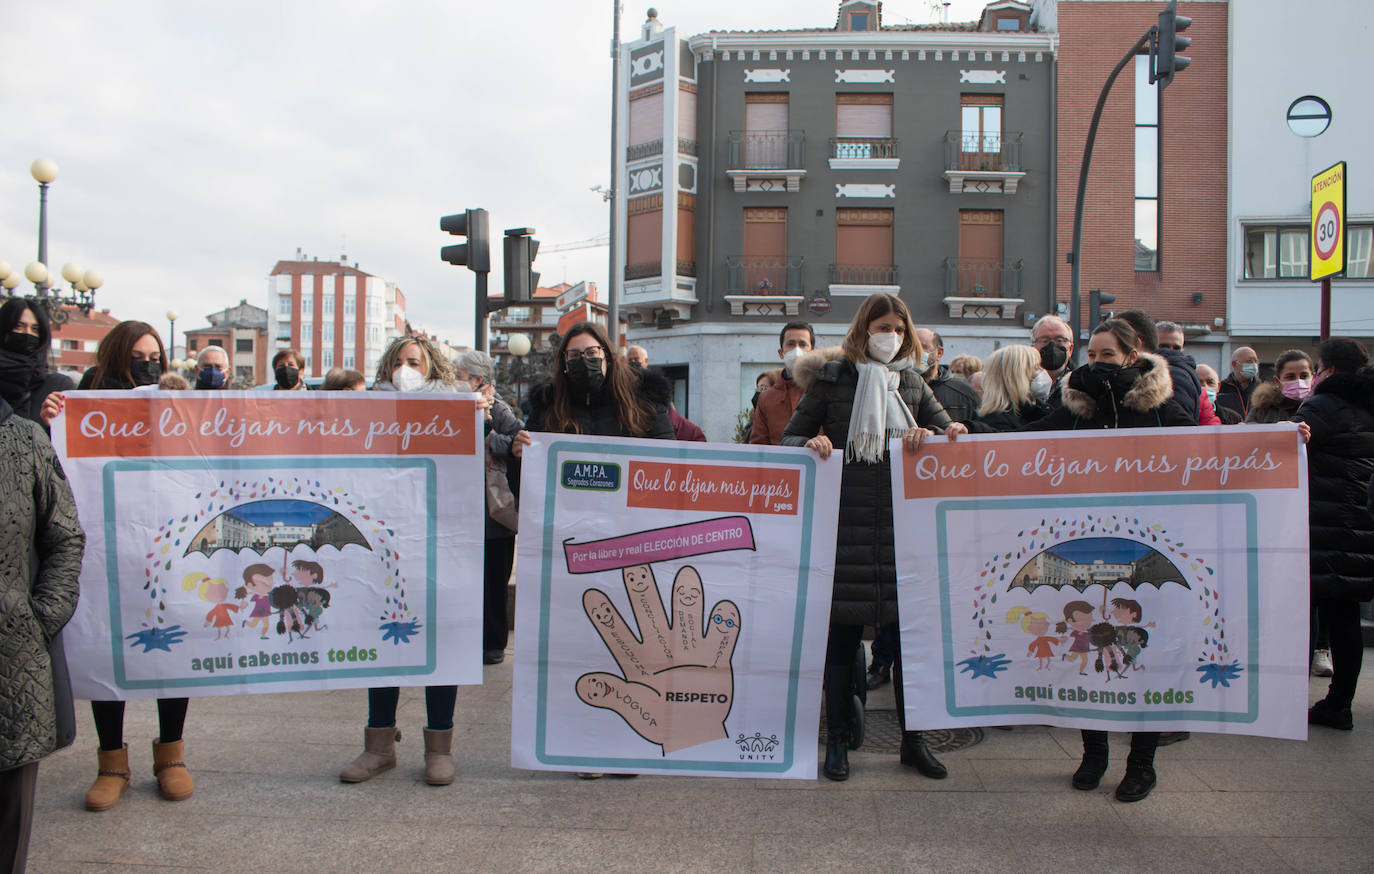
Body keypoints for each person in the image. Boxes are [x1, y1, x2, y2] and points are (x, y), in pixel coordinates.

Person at [782, 292, 967, 782]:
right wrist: (813, 442)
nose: (893, 337)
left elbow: (949, 434)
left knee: (911, 645)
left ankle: (914, 741)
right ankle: (838, 741)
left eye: (900, 328)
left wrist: (943, 435)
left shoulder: (911, 382)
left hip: (903, 535)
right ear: (863, 329)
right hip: (844, 531)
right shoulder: (833, 377)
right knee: (841, 643)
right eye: (883, 327)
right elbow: (790, 438)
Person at [1024, 319, 1192, 802]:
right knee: (1091, 651)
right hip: (1086, 544)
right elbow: (1026, 438)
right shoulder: (1076, 407)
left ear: (1133, 354)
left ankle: (1142, 763)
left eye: (1108, 357)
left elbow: (1205, 448)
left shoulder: (1161, 407)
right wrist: (963, 432)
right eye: (1092, 357)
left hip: (1144, 548)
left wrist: (1282, 438)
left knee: (1143, 654)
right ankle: (1093, 753)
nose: (1098, 365)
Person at [515, 321, 674, 779]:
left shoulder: (644, 399)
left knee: (633, 644)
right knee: (584, 644)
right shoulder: (546, 409)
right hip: (572, 546)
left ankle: (631, 740)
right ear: (562, 365)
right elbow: (528, 485)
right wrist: (520, 452)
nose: (583, 362)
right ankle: (587, 743)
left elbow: (668, 461)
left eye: (591, 354)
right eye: (573, 357)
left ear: (609, 354)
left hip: (633, 541)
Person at [339, 335, 479, 787]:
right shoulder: (369, 416)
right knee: (387, 641)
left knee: (441, 642)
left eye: (414, 361)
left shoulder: (459, 410)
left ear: (433, 368)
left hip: (442, 545)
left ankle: (440, 748)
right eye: (398, 361)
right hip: (384, 548)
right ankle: (378, 747)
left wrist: (486, 419)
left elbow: (500, 443)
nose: (405, 369)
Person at [75, 322, 195, 810]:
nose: (148, 363)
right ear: (116, 356)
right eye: (138, 355)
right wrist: (51, 417)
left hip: (164, 540)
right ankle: (111, 762)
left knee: (171, 647)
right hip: (106, 542)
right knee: (108, 648)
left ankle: (171, 755)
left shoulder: (174, 402)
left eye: (155, 355)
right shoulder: (84, 401)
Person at [0, 393, 84, 874]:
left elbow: (64, 536)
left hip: (12, 660)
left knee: (8, 817)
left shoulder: (23, 439)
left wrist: (40, 619)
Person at [1292, 339, 1374, 731]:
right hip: (1360, 524)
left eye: (1318, 368)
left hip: (1321, 523)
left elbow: (1288, 451)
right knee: (1346, 619)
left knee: (1302, 613)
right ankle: (1340, 702)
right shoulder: (1368, 405)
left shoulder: (1323, 406)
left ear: (1331, 370)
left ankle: (1288, 698)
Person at [454, 349, 525, 665]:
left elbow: (519, 444)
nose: (453, 382)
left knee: (494, 580)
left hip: (493, 514)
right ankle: (468, 638)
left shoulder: (499, 411)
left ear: (476, 379)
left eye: (457, 377)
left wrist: (486, 434)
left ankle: (493, 643)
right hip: (462, 510)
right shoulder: (452, 408)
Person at [0, 298, 74, 431]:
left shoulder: (57, 386)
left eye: (35, 329)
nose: (27, 333)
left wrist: (54, 427)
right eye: (18, 326)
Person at [1147, 318, 1222, 425]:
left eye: (1176, 348)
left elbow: (1210, 427)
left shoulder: (1199, 393)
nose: (1170, 352)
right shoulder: (1139, 379)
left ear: (1182, 350)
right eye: (1164, 347)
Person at [750, 321, 815, 445]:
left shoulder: (825, 391)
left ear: (812, 352)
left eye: (803, 344)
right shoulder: (766, 398)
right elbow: (758, 445)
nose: (797, 350)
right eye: (791, 344)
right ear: (781, 353)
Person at [974, 345, 1049, 431]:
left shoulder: (1033, 411)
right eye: (1036, 368)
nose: (1043, 372)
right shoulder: (997, 422)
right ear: (1017, 377)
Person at [914, 328, 980, 424]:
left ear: (939, 353)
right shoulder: (895, 388)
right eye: (912, 347)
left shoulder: (965, 394)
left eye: (923, 347)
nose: (916, 353)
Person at [1246, 350, 1315, 424]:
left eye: (1304, 376)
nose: (1298, 381)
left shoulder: (1322, 406)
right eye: (1291, 377)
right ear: (1277, 381)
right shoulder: (1262, 409)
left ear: (1313, 378)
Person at [1030, 315, 1074, 409]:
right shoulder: (1018, 385)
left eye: (1059, 340)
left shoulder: (1081, 387)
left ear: (1070, 349)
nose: (1052, 345)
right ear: (1033, 347)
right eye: (1044, 340)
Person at [1216, 346, 1261, 420]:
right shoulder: (1221, 389)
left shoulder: (1263, 389)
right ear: (1234, 364)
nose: (1254, 365)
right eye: (1249, 361)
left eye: (1256, 361)